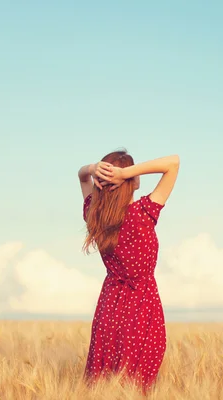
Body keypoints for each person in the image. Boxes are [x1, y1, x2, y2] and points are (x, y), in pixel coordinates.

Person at [77, 150, 180, 393]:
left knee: (103, 380)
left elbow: (82, 177)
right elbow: (173, 163)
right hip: (142, 306)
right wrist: (125, 173)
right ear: (134, 182)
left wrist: (93, 169)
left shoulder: (94, 214)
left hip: (109, 308)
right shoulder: (144, 212)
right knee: (138, 384)